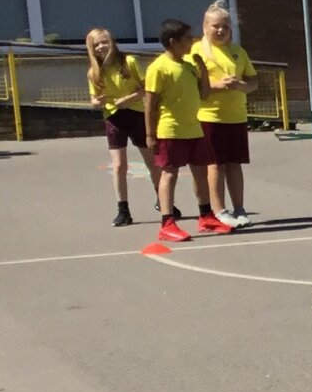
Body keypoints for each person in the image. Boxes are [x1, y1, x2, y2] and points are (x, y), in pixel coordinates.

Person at [143, 20, 226, 241]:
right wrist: (150, 134)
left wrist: (202, 69)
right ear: (173, 42)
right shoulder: (158, 68)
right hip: (170, 130)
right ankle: (167, 222)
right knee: (169, 173)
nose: (193, 41)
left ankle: (206, 215)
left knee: (200, 171)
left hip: (193, 128)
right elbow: (149, 103)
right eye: (188, 38)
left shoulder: (188, 65)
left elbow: (205, 94)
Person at [192, 1, 257, 227]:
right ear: (205, 27)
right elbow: (193, 83)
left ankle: (239, 208)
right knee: (215, 164)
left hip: (236, 116)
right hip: (210, 116)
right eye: (216, 26)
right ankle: (219, 209)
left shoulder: (238, 52)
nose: (220, 31)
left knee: (234, 164)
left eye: (225, 27)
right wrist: (219, 85)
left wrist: (241, 85)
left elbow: (253, 81)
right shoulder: (197, 51)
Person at [84, 27, 158, 227]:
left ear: (112, 42)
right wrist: (97, 101)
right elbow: (93, 100)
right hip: (114, 118)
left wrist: (128, 98)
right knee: (118, 165)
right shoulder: (94, 72)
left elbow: (145, 89)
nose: (101, 47)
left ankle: (164, 200)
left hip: (136, 114)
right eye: (96, 45)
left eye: (103, 42)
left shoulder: (129, 62)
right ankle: (123, 209)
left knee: (151, 161)